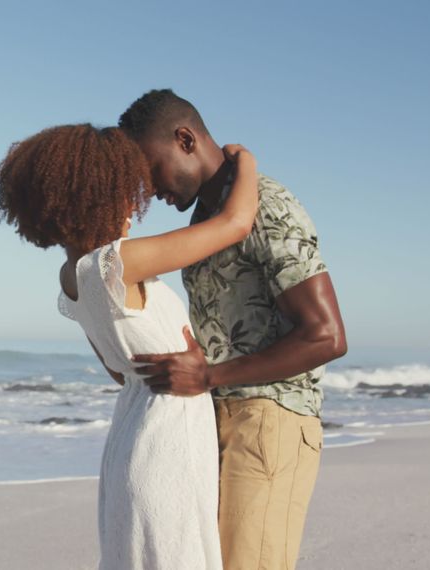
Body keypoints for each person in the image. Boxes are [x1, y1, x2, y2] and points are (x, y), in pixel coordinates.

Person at [0, 122, 260, 569]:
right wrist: (245, 160)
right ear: (98, 197)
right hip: (168, 439)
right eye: (126, 191)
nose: (137, 204)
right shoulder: (119, 262)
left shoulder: (72, 275)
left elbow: (120, 370)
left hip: (132, 436)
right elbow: (234, 223)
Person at [119, 89, 347, 570]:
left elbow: (326, 335)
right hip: (221, 418)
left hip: (272, 418)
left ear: (184, 140)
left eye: (150, 171)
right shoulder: (213, 217)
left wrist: (208, 377)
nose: (150, 191)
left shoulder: (266, 205)